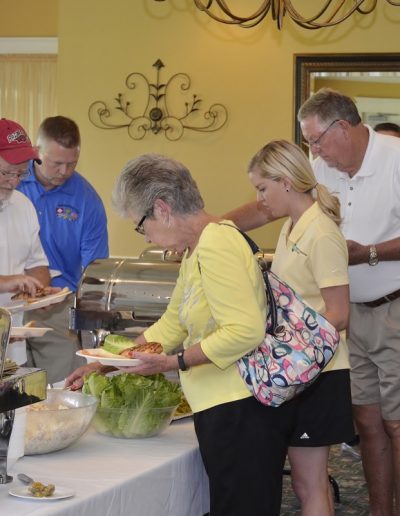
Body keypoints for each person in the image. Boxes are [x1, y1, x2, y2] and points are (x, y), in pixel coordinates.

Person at [66, 153, 297, 516]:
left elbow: (245, 331)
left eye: (141, 226)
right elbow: (172, 324)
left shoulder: (217, 243)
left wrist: (173, 362)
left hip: (241, 409)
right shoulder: (196, 249)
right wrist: (105, 364)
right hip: (223, 407)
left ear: (162, 209)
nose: (147, 237)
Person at [226, 88, 400, 516]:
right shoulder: (319, 170)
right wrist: (212, 228)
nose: (314, 151)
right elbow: (266, 208)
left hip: (391, 307)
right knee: (367, 423)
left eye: (316, 140)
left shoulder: (395, 159)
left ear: (343, 127)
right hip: (345, 321)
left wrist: (370, 253)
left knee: (396, 423)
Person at [246, 139, 353, 515]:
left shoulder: (321, 232)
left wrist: (290, 352)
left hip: (319, 372)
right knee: (305, 484)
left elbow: (339, 313)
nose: (259, 199)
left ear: (286, 181)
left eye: (263, 188)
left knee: (311, 484)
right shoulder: (291, 228)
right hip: (297, 371)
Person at [18, 116, 109, 383]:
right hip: (8, 298)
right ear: (37, 151)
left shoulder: (87, 200)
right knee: (13, 385)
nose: (64, 171)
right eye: (56, 163)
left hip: (58, 304)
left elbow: (95, 269)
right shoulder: (11, 182)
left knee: (63, 384)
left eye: (72, 163)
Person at [0, 118, 52, 365]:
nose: (14, 181)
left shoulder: (23, 206)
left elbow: (37, 266)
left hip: (12, 349)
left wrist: (40, 293)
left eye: (21, 173)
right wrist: (7, 282)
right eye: (6, 172)